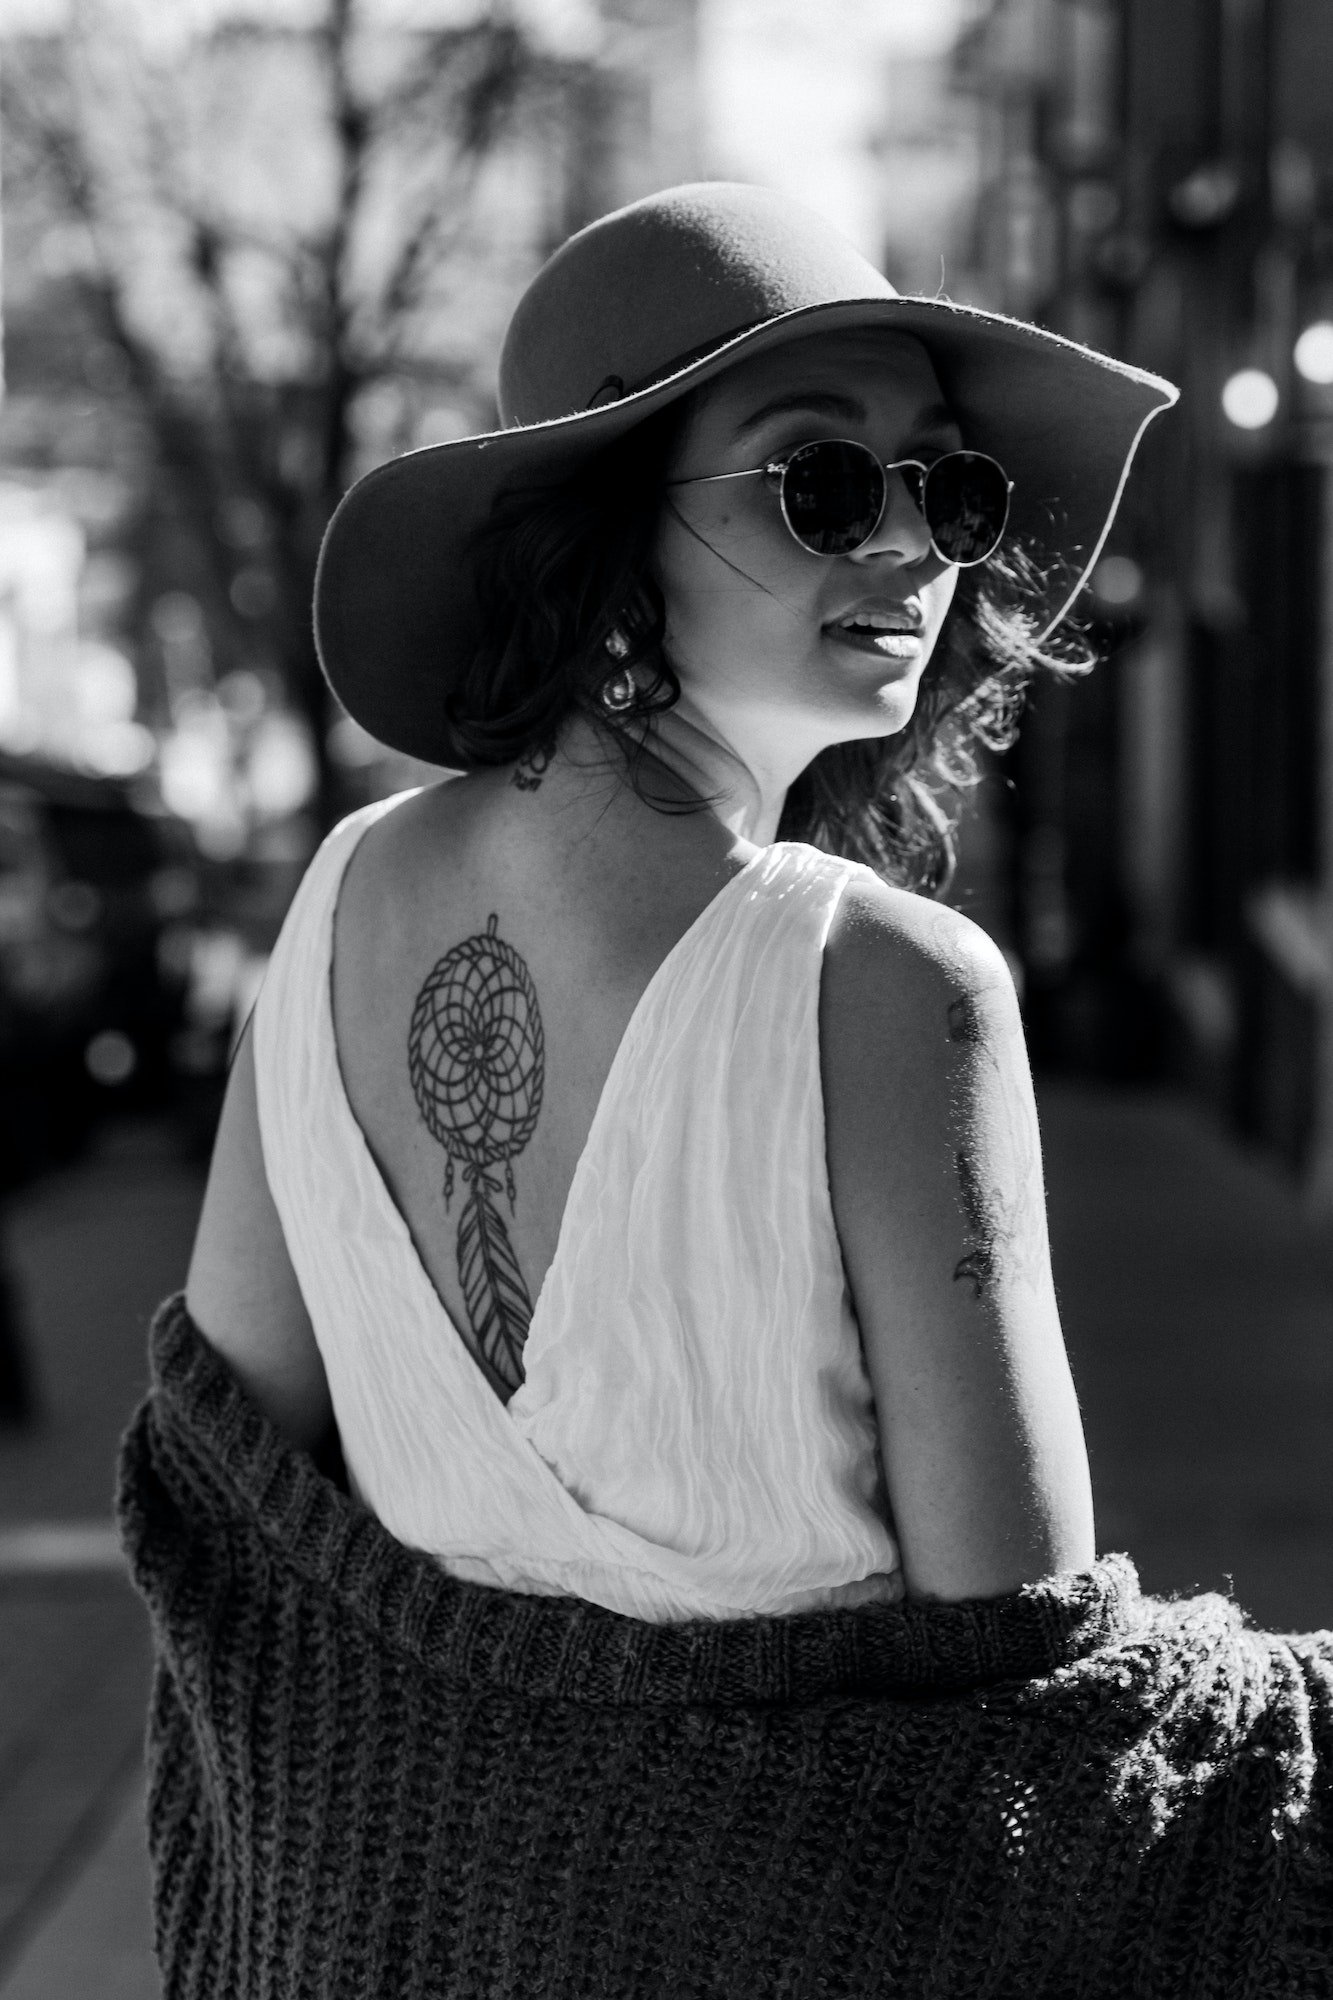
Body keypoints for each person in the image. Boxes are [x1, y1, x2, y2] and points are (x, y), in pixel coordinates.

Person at [120, 186, 1333, 1996]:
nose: (914, 541)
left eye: (952, 487)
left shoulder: (337, 903)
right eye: (820, 480)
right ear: (611, 533)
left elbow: (226, 1511)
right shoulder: (889, 988)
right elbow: (1028, 1702)